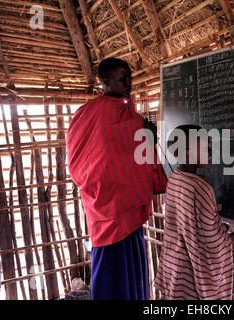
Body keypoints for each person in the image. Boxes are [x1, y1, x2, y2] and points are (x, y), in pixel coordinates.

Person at [67, 57, 167, 300]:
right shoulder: (89, 113)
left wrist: (148, 134)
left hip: (125, 204)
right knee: (112, 271)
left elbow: (133, 147)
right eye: (123, 78)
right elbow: (82, 158)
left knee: (132, 267)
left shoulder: (126, 111)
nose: (129, 83)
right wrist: (146, 134)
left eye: (130, 77)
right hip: (106, 204)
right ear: (105, 81)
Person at [155, 124, 234, 300]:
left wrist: (217, 226)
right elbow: (207, 241)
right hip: (191, 279)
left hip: (175, 269)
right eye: (205, 147)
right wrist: (230, 239)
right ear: (187, 153)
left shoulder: (175, 179)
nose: (210, 152)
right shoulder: (200, 188)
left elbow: (194, 226)